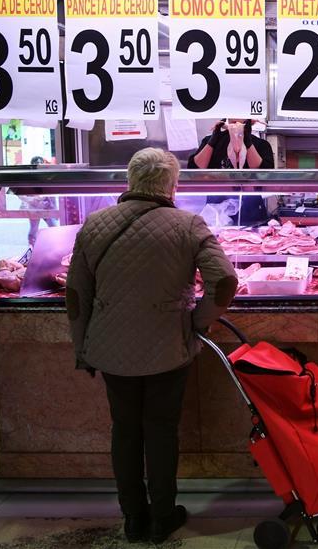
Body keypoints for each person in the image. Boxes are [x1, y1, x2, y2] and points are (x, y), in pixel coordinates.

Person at [65, 148, 238, 544]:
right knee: (161, 431)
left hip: (111, 348)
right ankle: (163, 516)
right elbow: (226, 282)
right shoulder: (188, 224)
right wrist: (196, 322)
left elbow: (76, 295)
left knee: (125, 430)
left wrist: (82, 348)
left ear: (130, 180)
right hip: (168, 347)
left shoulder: (94, 224)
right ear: (172, 185)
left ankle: (133, 519)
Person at [188, 119, 275, 225]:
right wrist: (212, 141)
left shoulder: (261, 144)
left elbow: (264, 174)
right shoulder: (211, 141)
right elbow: (194, 171)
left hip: (252, 214)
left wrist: (248, 142)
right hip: (217, 214)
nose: (235, 121)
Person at [23, 156, 59, 246]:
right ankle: (32, 247)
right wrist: (31, 200)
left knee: (53, 227)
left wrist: (55, 209)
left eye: (40, 164)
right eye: (36, 164)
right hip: (35, 208)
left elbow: (52, 194)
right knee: (34, 229)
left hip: (46, 207)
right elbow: (22, 194)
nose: (38, 166)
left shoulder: (46, 176)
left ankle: (56, 244)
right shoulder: (29, 177)